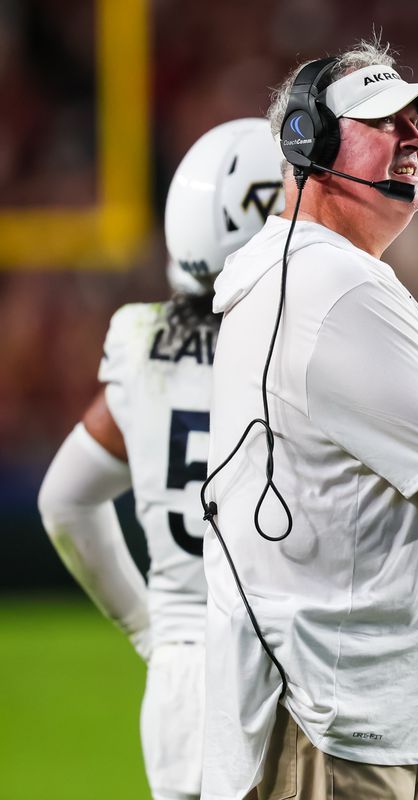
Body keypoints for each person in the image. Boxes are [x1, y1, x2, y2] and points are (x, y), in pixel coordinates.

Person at [200, 41, 418, 800]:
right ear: (308, 144)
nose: (413, 137)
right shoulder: (337, 286)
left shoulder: (303, 273)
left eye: (416, 121)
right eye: (384, 120)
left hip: (316, 701)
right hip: (334, 718)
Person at [36, 118, 283, 800]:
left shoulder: (142, 342)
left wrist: (153, 629)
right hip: (287, 675)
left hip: (183, 685)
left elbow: (63, 502)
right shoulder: (302, 350)